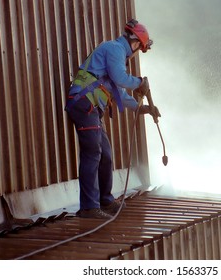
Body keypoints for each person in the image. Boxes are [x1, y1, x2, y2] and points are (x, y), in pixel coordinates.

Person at [65, 19, 160, 219]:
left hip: (91, 108)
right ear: (135, 44)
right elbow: (120, 78)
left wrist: (141, 108)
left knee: (105, 153)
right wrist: (139, 82)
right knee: (93, 153)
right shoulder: (115, 49)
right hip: (84, 104)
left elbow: (120, 94)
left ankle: (105, 201)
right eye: (138, 49)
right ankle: (89, 208)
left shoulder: (114, 54)